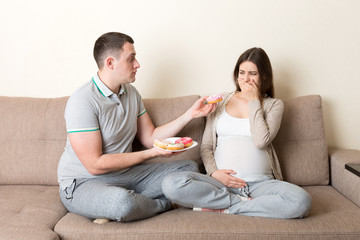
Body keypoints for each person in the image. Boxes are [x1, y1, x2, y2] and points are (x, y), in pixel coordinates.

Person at [57, 32, 215, 222]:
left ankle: (131, 205)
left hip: (126, 176)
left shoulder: (131, 93)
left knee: (189, 168)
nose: (137, 64)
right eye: (131, 59)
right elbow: (95, 165)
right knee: (122, 203)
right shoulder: (83, 101)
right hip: (83, 183)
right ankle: (162, 204)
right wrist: (153, 154)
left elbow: (150, 137)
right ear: (110, 63)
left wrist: (190, 114)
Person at [162, 47, 312, 219]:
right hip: (220, 184)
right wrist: (214, 173)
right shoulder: (220, 101)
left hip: (261, 185)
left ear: (264, 76)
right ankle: (243, 203)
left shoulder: (274, 105)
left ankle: (227, 207)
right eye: (242, 72)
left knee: (301, 201)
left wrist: (254, 100)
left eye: (252, 73)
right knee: (171, 184)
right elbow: (207, 146)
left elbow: (261, 141)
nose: (246, 79)